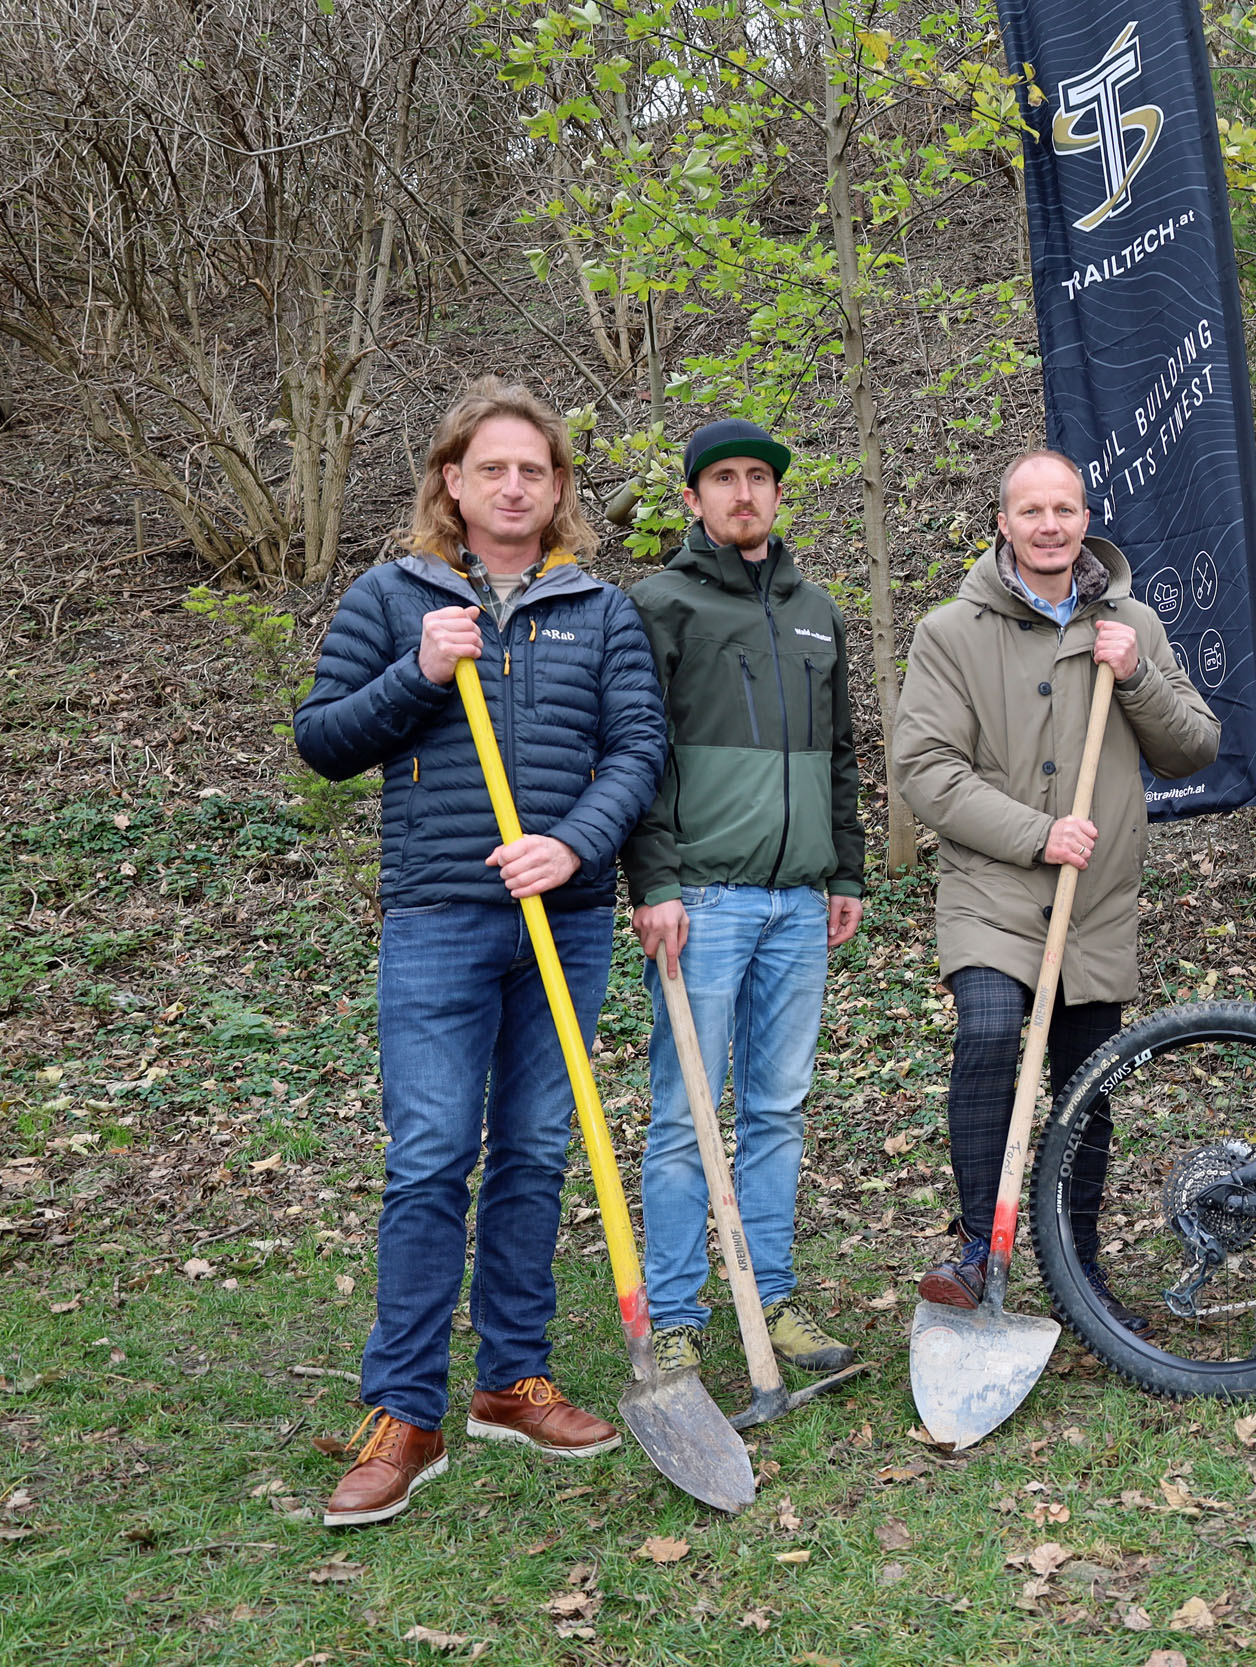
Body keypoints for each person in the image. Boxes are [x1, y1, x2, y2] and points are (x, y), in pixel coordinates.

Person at [294, 377, 667, 1528]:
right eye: (491, 467)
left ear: (558, 489)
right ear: (451, 481)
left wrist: (573, 843)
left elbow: (637, 748)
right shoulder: (391, 597)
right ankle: (404, 1411)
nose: (513, 486)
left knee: (535, 1148)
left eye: (533, 470)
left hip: (569, 916)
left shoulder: (600, 610)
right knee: (429, 1156)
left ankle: (512, 1379)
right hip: (438, 916)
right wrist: (415, 671)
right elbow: (321, 741)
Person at [894, 448, 1220, 1325]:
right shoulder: (949, 633)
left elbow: (1194, 747)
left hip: (1095, 904)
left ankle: (1079, 1272)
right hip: (993, 888)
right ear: (1003, 522)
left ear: (1086, 518)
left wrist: (1137, 677)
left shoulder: (1133, 625)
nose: (1049, 526)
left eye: (1064, 509)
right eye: (1031, 511)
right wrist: (1037, 833)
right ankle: (979, 1246)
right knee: (990, 1030)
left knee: (1087, 1083)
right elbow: (925, 769)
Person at [622, 419, 866, 1378]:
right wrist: (654, 882)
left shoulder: (818, 612)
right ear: (693, 499)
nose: (743, 493)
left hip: (798, 903)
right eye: (722, 478)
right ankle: (678, 1315)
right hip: (703, 901)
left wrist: (844, 871)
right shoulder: (659, 606)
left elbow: (840, 756)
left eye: (758, 477)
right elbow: (636, 758)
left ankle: (771, 1298)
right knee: (687, 1111)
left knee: (778, 1109)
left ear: (777, 494)